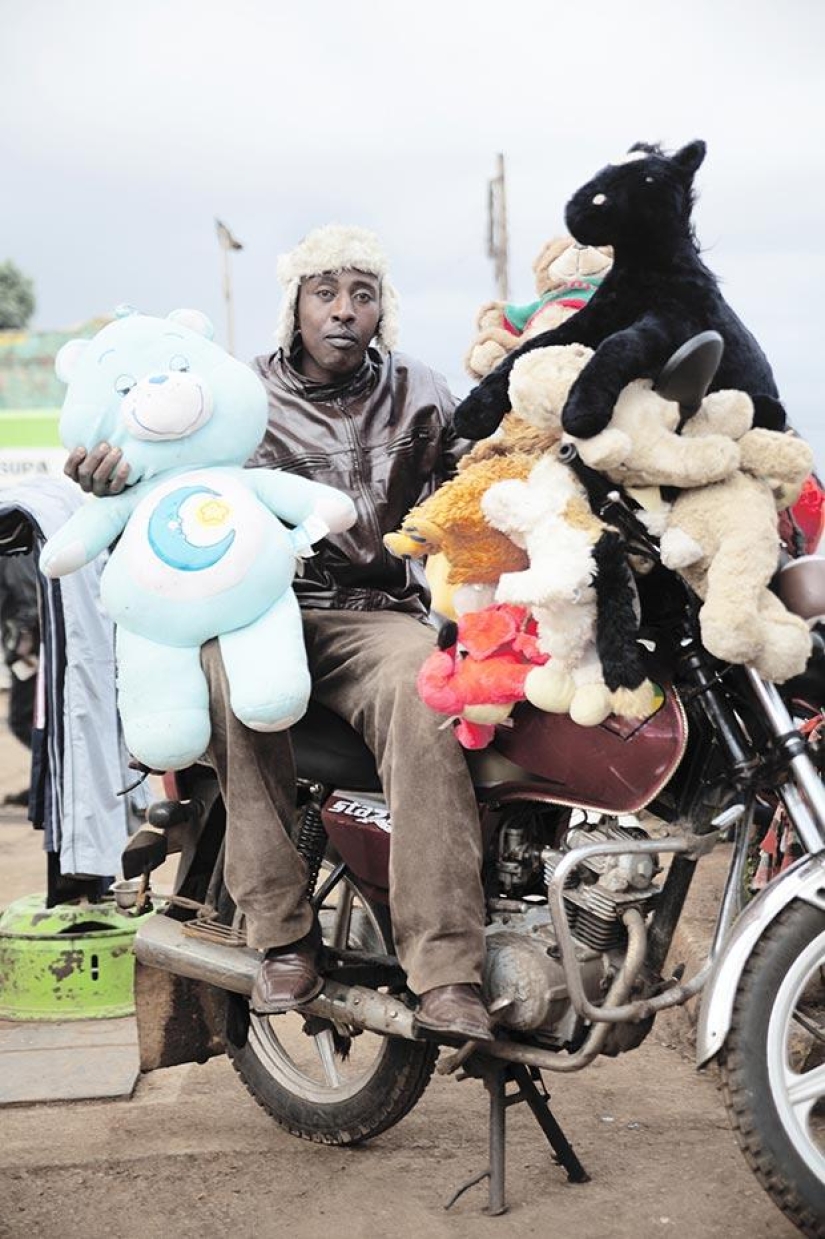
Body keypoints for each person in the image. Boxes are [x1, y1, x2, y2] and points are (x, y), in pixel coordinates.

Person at [64, 225, 491, 1042]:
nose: (343, 310)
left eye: (361, 294)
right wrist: (102, 476)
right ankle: (282, 935)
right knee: (225, 678)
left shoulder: (424, 389)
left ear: (382, 310)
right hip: (264, 606)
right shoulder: (240, 393)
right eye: (324, 292)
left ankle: (446, 974)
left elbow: (477, 475)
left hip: (377, 618)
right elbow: (160, 485)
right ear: (293, 306)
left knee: (422, 690)